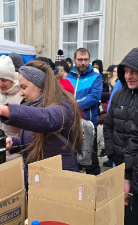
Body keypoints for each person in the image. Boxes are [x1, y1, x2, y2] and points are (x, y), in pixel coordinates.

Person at [0, 60, 83, 189]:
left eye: (24, 87)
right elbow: (40, 140)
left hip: (61, 184)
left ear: (40, 85)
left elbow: (46, 119)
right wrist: (15, 143)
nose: (21, 93)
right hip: (41, 181)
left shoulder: (64, 106)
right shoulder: (36, 104)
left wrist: (4, 110)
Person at [103, 48, 138, 225]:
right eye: (126, 71)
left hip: (134, 171)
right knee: (118, 213)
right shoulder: (119, 95)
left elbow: (135, 139)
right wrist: (110, 151)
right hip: (118, 164)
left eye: (133, 72)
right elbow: (108, 124)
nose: (129, 76)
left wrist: (128, 174)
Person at [66, 48, 102, 175]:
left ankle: (96, 191)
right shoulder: (67, 77)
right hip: (69, 125)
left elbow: (93, 97)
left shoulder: (96, 77)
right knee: (71, 160)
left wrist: (72, 105)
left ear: (89, 60)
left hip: (88, 125)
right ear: (74, 60)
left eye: (85, 60)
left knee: (90, 162)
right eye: (80, 60)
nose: (83, 63)